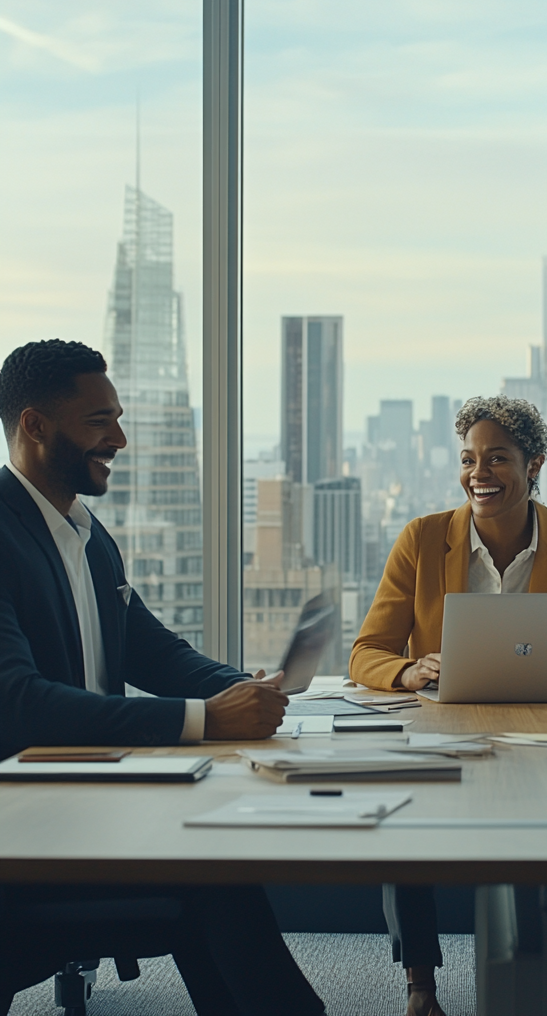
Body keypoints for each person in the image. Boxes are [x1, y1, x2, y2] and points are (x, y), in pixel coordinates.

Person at [0, 340, 324, 1016]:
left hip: (84, 797)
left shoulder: (85, 533)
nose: (119, 438)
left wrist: (243, 690)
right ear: (34, 426)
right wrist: (207, 720)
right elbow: (17, 704)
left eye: (117, 418)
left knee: (216, 861)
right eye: (99, 421)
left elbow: (150, 651)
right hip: (25, 833)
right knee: (213, 876)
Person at [350, 394, 547, 1016]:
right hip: (441, 726)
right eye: (471, 458)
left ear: (535, 465)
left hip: (543, 732)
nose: (480, 473)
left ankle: (545, 971)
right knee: (409, 820)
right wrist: (410, 669)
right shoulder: (422, 540)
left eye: (498, 459)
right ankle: (421, 985)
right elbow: (366, 652)